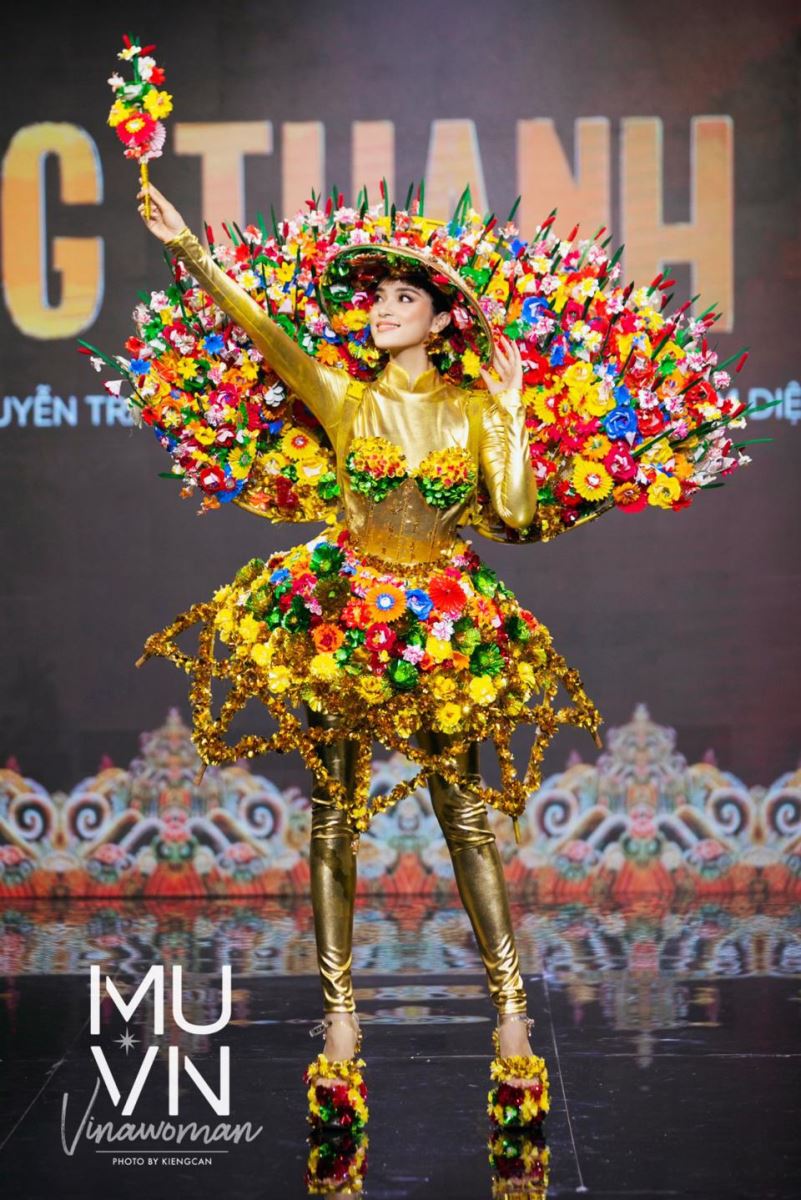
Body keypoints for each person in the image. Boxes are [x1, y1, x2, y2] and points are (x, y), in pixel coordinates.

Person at [135, 181, 600, 1129]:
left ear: (441, 319)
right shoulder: (343, 396)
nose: (381, 310)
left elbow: (516, 516)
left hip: (441, 620)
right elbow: (260, 327)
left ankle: (511, 1015)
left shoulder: (474, 409)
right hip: (345, 616)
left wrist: (512, 409)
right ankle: (341, 1020)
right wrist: (186, 247)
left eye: (401, 298)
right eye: (375, 299)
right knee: (334, 814)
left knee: (463, 817)